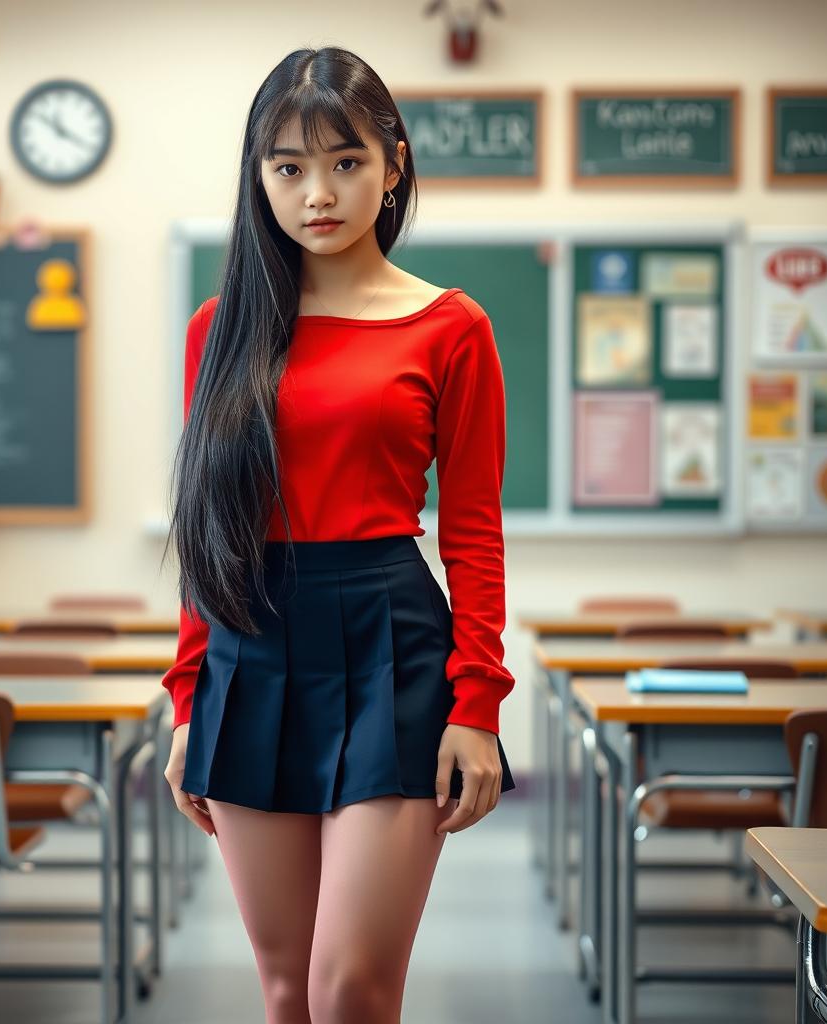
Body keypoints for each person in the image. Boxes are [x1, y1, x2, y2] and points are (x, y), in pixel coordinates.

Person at [159, 45, 516, 1024]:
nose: (318, 191)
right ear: (259, 176)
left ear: (393, 163)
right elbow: (209, 530)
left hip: (390, 644)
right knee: (283, 991)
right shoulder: (219, 328)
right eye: (288, 166)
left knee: (349, 986)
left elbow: (473, 530)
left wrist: (477, 702)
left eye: (345, 161)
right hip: (250, 645)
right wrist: (189, 698)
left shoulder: (451, 326)